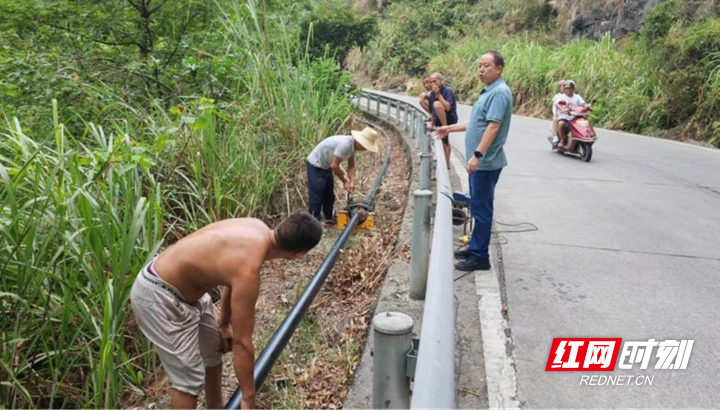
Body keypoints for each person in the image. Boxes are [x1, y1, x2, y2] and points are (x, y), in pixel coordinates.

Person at [130, 213, 324, 410]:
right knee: (188, 380)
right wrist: (248, 397)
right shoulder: (249, 268)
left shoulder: (256, 226)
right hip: (158, 296)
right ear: (299, 254)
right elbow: (242, 343)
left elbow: (230, 281)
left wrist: (223, 324)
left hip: (189, 294)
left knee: (213, 351)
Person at [436, 51, 513, 272]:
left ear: (498, 69)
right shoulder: (489, 91)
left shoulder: (499, 92)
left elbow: (493, 126)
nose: (481, 69)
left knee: (482, 209)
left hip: (485, 163)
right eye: (479, 65)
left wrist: (477, 156)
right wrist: (448, 128)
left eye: (486, 65)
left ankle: (480, 256)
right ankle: (475, 247)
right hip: (481, 162)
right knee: (478, 205)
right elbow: (476, 122)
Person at [306, 127, 380, 225]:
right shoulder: (345, 145)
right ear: (360, 142)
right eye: (365, 146)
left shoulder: (354, 148)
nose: (365, 149)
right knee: (317, 194)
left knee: (328, 194)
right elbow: (334, 166)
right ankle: (313, 223)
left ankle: (328, 218)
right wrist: (345, 181)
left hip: (326, 166)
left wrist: (352, 181)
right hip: (316, 164)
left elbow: (351, 166)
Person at [428, 73, 459, 170]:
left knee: (437, 104)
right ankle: (446, 164)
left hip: (450, 118)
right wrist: (431, 124)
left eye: (435, 81)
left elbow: (448, 107)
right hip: (439, 118)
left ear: (441, 81)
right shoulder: (431, 93)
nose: (433, 84)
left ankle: (445, 129)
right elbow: (433, 112)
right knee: (444, 141)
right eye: (431, 82)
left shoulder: (447, 91)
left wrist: (439, 95)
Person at [557, 80, 587, 151]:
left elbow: (583, 104)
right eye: (566, 88)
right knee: (561, 123)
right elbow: (558, 104)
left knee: (584, 124)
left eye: (569, 88)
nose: (568, 90)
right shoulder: (562, 97)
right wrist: (562, 109)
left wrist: (588, 107)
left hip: (575, 118)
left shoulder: (577, 97)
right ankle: (561, 140)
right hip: (565, 117)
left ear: (573, 89)